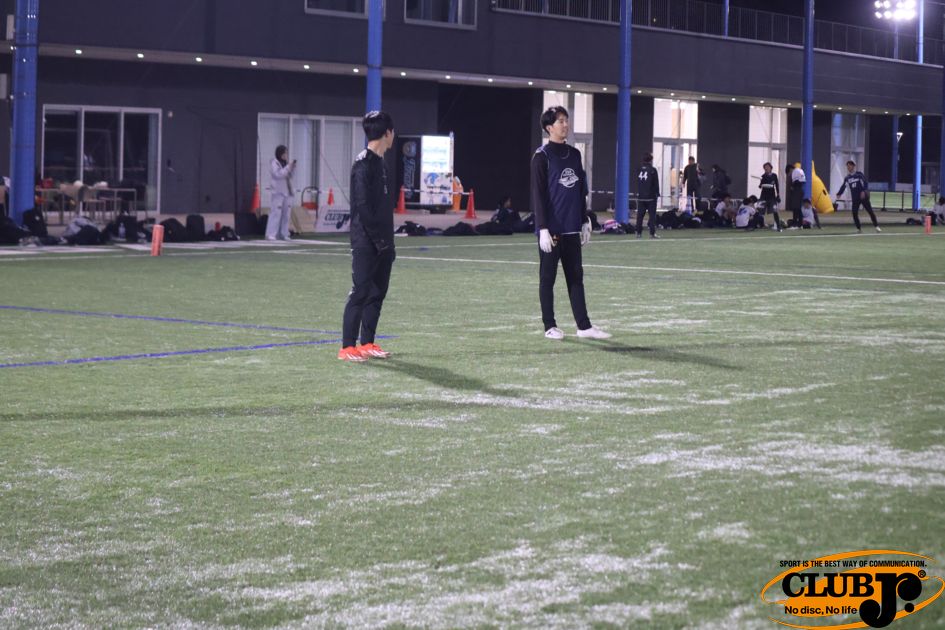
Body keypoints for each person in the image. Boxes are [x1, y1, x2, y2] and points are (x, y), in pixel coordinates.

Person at [531, 106, 610, 341]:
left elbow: (580, 190)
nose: (565, 125)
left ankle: (584, 326)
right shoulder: (541, 157)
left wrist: (585, 219)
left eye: (566, 120)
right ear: (549, 128)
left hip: (571, 228)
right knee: (547, 278)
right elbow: (538, 195)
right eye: (560, 121)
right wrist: (543, 228)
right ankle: (549, 326)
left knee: (576, 278)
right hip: (551, 231)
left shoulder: (574, 154)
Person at [338, 111, 397, 362]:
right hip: (365, 241)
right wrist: (377, 240)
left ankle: (367, 343)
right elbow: (363, 207)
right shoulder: (362, 164)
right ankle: (347, 347)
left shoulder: (382, 164)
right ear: (387, 133)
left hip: (383, 241)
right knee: (360, 291)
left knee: (377, 292)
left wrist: (388, 242)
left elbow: (382, 208)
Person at [836, 160, 881, 233]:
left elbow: (865, 183)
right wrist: (839, 193)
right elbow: (843, 186)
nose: (848, 167)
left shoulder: (859, 174)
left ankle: (877, 226)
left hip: (863, 196)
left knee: (870, 211)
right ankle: (859, 228)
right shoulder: (847, 178)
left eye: (850, 166)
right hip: (855, 198)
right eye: (847, 166)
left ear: (853, 166)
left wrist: (864, 191)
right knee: (854, 213)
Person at [267, 145, 296, 241]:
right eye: (285, 153)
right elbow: (277, 174)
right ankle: (271, 234)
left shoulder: (286, 163)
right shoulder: (274, 162)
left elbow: (290, 176)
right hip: (278, 192)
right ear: (280, 153)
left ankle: (284, 233)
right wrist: (288, 167)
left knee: (286, 214)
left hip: (288, 192)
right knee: (276, 213)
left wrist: (292, 168)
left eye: (287, 153)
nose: (286, 155)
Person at [635, 153, 660, 239]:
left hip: (641, 196)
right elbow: (656, 183)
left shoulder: (639, 169)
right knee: (652, 216)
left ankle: (638, 233)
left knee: (640, 216)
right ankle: (652, 234)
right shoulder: (653, 170)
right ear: (651, 160)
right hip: (651, 197)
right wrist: (657, 193)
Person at [758, 162, 782, 232]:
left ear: (771, 168)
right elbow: (760, 186)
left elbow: (776, 185)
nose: (766, 168)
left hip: (772, 196)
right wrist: (761, 183)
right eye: (765, 167)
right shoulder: (763, 176)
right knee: (760, 210)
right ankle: (756, 225)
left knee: (774, 211)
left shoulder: (774, 175)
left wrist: (778, 194)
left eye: (768, 167)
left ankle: (778, 226)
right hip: (764, 196)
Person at [786, 164, 805, 229]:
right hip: (800, 191)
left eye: (789, 172)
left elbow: (795, 183)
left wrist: (792, 187)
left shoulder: (795, 172)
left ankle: (795, 224)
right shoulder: (799, 171)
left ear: (790, 169)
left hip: (797, 191)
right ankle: (800, 224)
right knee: (798, 208)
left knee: (796, 208)